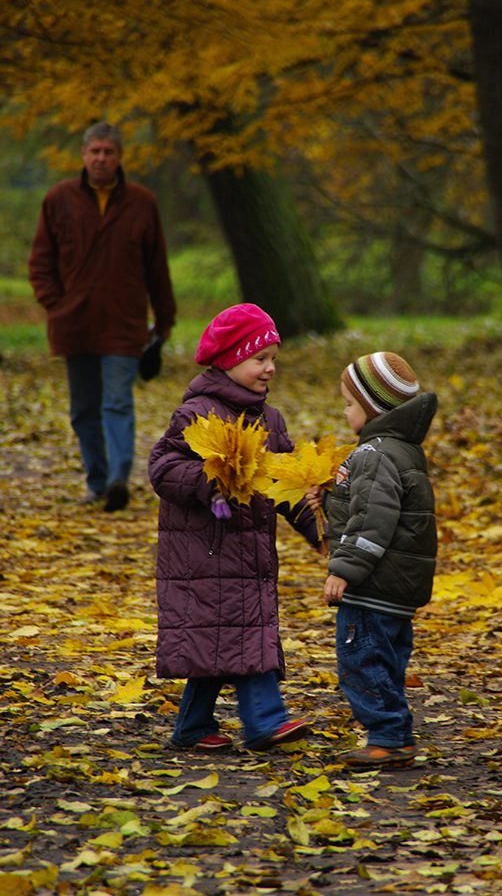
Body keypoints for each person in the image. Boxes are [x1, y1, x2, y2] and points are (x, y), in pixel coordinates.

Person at [148, 303, 327, 752]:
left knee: (222, 645)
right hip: (206, 554)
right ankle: (265, 722)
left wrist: (319, 528)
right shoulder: (197, 414)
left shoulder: (270, 421)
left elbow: (284, 484)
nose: (269, 369)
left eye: (272, 360)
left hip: (249, 556)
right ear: (228, 360)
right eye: (259, 359)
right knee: (243, 638)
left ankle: (191, 727)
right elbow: (163, 468)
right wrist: (208, 482)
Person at [28, 122, 176, 512]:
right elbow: (40, 263)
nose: (101, 159)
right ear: (83, 155)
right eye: (94, 151)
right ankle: (97, 480)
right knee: (83, 410)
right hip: (73, 324)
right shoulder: (58, 199)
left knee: (117, 403)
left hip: (124, 325)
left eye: (108, 152)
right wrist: (55, 304)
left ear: (120, 157)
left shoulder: (142, 203)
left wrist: (164, 322)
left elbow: (157, 267)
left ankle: (117, 481)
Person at [306, 352, 437, 770]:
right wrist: (328, 499)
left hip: (372, 587)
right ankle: (390, 734)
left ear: (374, 408)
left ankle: (390, 736)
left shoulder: (374, 453)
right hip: (395, 586)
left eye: (348, 404)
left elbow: (371, 522)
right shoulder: (401, 450)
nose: (344, 412)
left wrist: (343, 570)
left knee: (360, 661)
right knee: (385, 662)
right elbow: (375, 507)